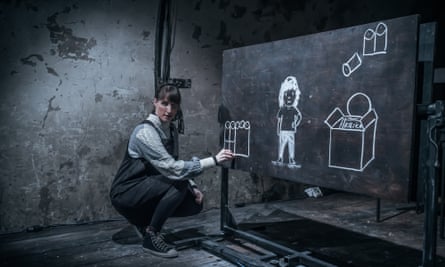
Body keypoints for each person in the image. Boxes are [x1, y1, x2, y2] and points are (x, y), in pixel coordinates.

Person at [109, 84, 234, 258]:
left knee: (194, 203)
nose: (169, 110)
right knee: (178, 182)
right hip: (126, 193)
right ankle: (151, 236)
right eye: (164, 103)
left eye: (174, 106)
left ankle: (142, 222)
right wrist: (213, 160)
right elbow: (172, 169)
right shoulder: (145, 132)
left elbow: (172, 163)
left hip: (148, 188)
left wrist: (192, 185)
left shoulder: (171, 129)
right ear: (155, 102)